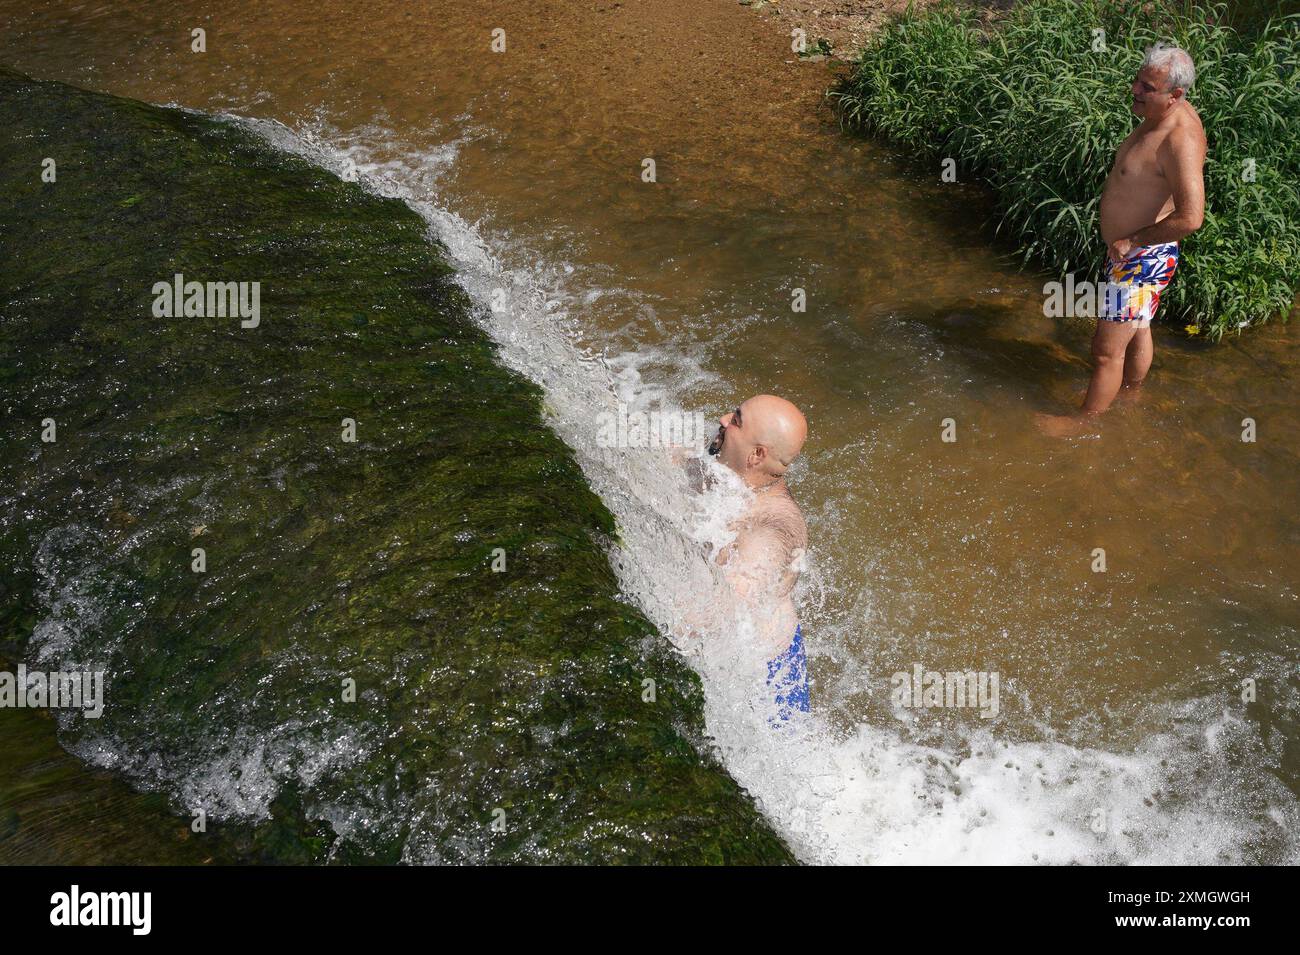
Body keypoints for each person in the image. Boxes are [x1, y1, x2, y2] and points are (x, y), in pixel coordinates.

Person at [1037, 42, 1206, 437]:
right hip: (1132, 254)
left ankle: (1083, 426)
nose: (1135, 90)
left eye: (1147, 87)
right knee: (1139, 328)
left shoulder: (1179, 140)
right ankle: (1131, 395)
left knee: (1105, 351)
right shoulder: (1157, 115)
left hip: (1141, 260)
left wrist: (1134, 241)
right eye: (1138, 80)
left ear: (1175, 96)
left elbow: (1191, 217)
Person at [705, 394, 810, 720]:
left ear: (756, 455)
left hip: (769, 682)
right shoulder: (722, 468)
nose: (723, 419)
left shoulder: (774, 527)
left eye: (736, 419)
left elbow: (725, 608)